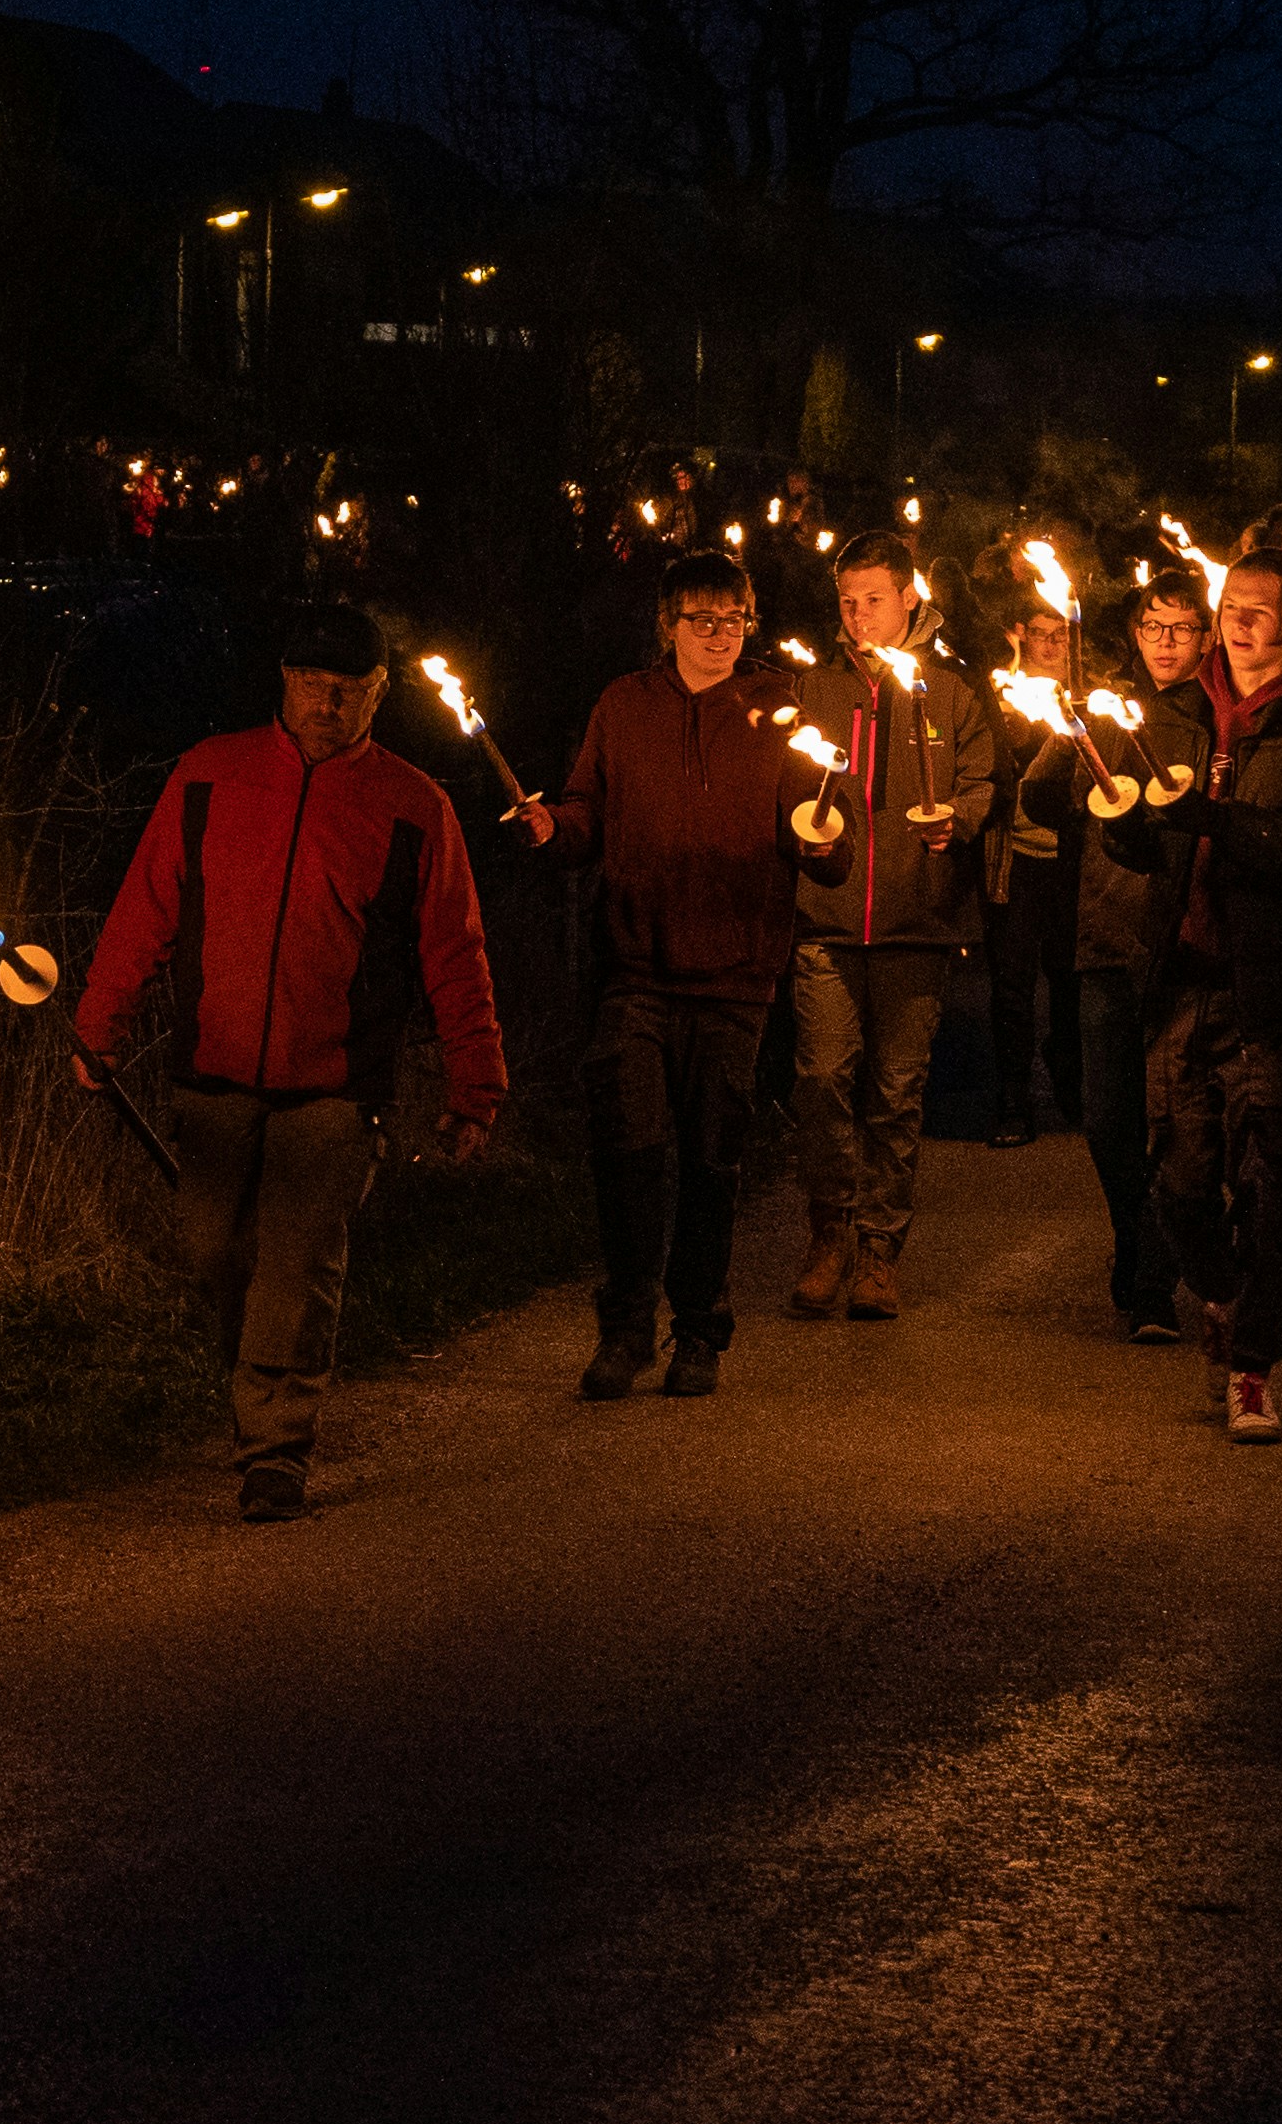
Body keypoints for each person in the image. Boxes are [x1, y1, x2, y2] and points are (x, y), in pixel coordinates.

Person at [70, 601, 510, 1520]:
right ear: (284, 678)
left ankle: (274, 1449)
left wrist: (477, 1086)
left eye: (349, 686)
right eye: (313, 681)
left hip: (335, 1090)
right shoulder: (209, 775)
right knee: (213, 1250)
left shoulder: (413, 807)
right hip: (212, 1073)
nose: (328, 700)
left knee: (296, 1263)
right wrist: (96, 1022)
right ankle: (254, 1396)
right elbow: (147, 905)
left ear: (380, 691)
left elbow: (455, 955)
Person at [1104, 548, 1282, 1442]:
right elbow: (1150, 844)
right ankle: (1219, 1292)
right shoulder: (1179, 702)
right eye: (1230, 604)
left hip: (1271, 984)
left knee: (1266, 1181)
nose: (1237, 621)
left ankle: (1254, 1366)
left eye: (1260, 609)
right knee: (1178, 1177)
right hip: (1182, 976)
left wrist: (1216, 818)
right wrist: (1128, 824)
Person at [521, 552, 798, 1402]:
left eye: (734, 619)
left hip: (736, 970)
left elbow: (826, 823)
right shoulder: (623, 705)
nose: (719, 636)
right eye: (702, 618)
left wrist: (824, 841)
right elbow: (586, 812)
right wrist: (550, 830)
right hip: (635, 966)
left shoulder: (778, 706)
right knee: (631, 1149)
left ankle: (700, 1330)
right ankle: (627, 1325)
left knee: (713, 1159)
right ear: (667, 623)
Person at [777, 536, 999, 1322]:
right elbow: (792, 779)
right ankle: (827, 1231)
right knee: (824, 1077)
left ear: (910, 597)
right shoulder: (818, 684)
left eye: (874, 598)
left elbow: (979, 781)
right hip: (828, 921)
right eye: (847, 600)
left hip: (917, 918)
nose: (859, 614)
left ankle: (879, 1249)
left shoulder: (951, 691)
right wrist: (805, 830)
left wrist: (958, 821)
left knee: (896, 1093)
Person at [1018, 568, 1214, 1340]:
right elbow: (1038, 796)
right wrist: (1069, 761)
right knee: (1107, 1117)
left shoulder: (1218, 719)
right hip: (1106, 936)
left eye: (1182, 628)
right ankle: (1137, 1238)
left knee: (1173, 1118)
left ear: (1203, 636)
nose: (1165, 642)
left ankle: (1153, 1280)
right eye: (1152, 627)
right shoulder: (1098, 712)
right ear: (1133, 634)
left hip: (1184, 942)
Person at [981, 607, 1088, 1149]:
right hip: (1016, 861)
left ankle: (1072, 1084)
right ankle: (1012, 1099)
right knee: (1013, 986)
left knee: (1070, 980)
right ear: (1020, 637)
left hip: (1070, 863)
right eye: (1038, 635)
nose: (1049, 646)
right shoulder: (1004, 701)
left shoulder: (1091, 703)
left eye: (1058, 637)